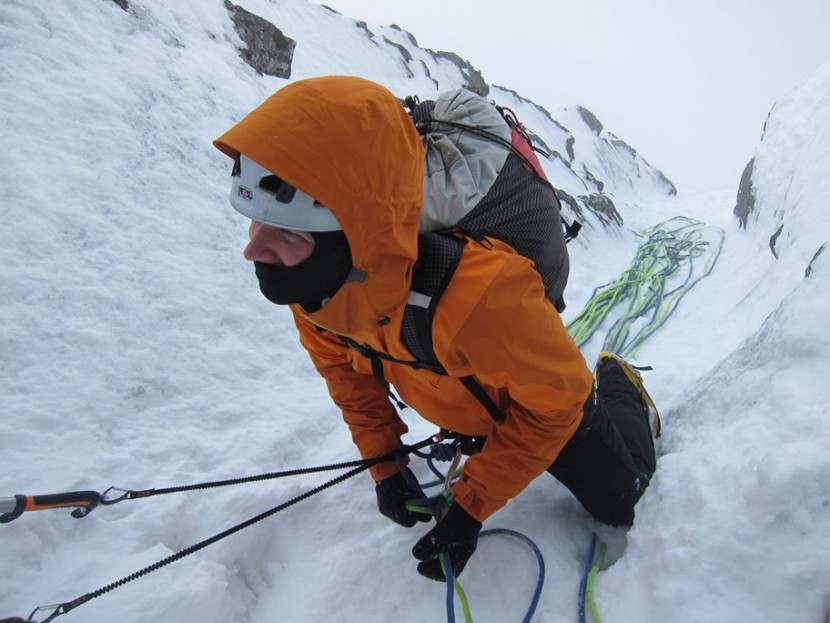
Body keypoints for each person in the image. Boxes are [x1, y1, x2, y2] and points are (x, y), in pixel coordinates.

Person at [213, 75, 658, 581]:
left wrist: (472, 504)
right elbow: (348, 377)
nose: (253, 250)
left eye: (285, 231)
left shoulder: (479, 296)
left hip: (545, 406)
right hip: (472, 398)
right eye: (254, 222)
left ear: (355, 235)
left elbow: (555, 406)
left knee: (624, 500)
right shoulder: (319, 283)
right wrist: (383, 464)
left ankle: (622, 385)